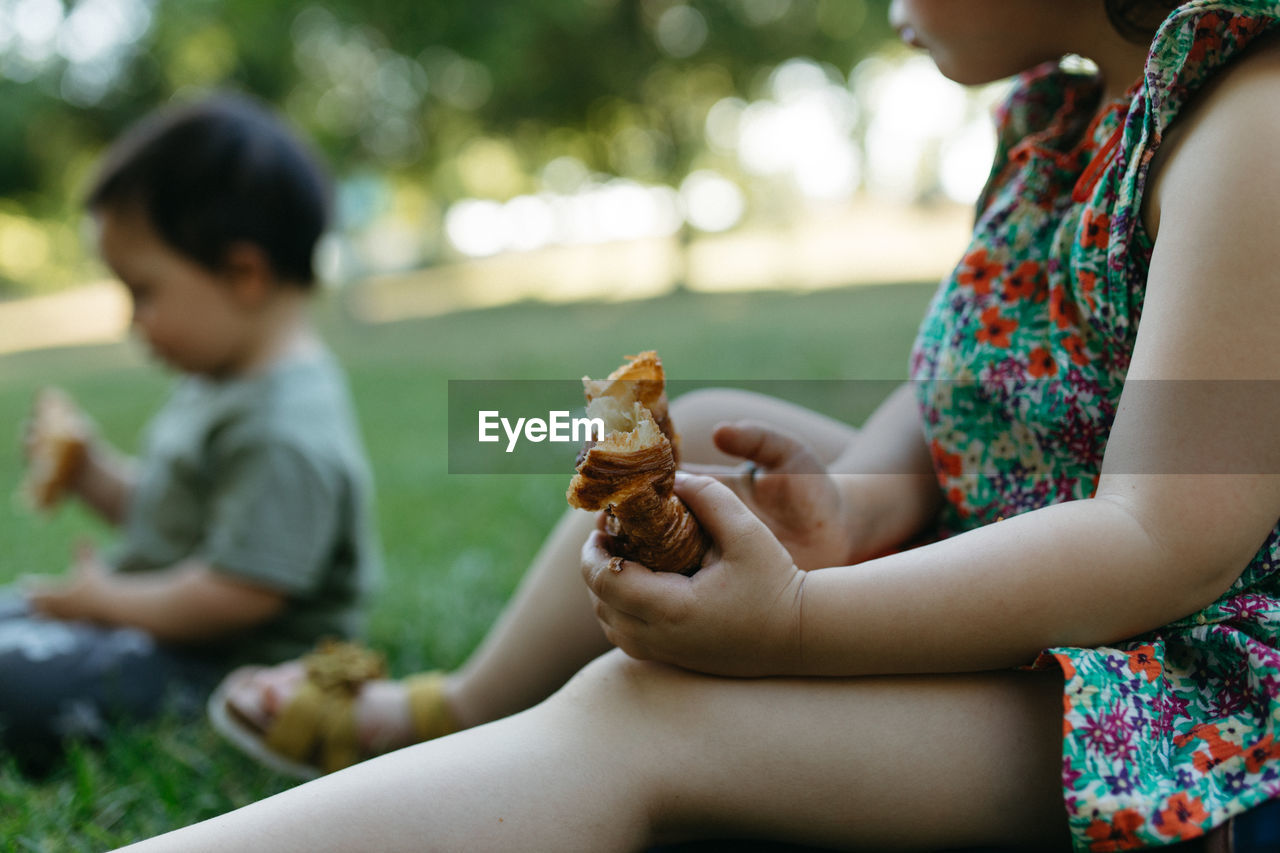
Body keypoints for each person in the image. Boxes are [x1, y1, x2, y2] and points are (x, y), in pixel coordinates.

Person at [142, 0, 1280, 848]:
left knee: (648, 714)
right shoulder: (1060, 116)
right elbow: (957, 384)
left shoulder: (1251, 120)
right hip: (1048, 596)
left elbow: (1160, 539)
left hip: (1195, 703)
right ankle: (460, 710)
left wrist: (791, 621)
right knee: (715, 427)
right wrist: (867, 501)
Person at [0, 94, 381, 764]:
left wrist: (107, 601)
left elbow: (240, 593)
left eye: (142, 291)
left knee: (17, 681)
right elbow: (169, 514)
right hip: (161, 630)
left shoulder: (282, 426)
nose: (131, 320)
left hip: (229, 663)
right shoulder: (221, 383)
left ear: (243, 274)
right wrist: (91, 473)